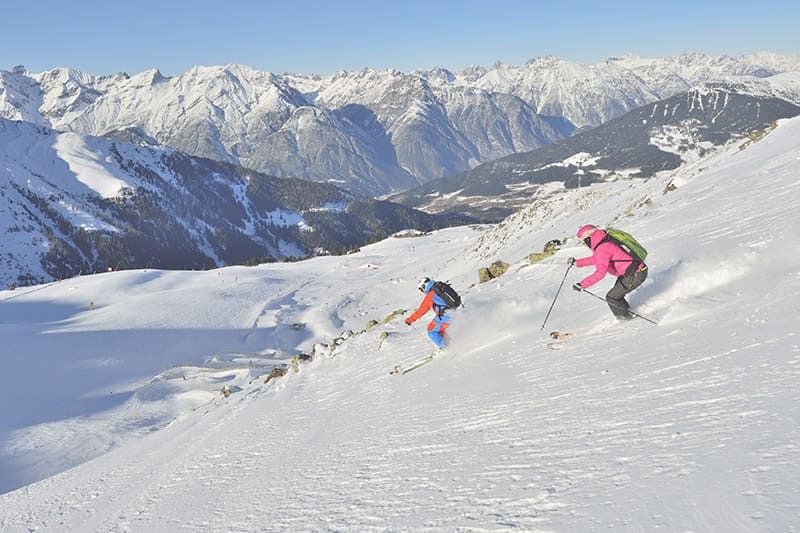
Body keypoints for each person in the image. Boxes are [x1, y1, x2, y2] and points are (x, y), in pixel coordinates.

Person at [569, 224, 648, 320]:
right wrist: (577, 263)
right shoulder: (604, 240)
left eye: (584, 241)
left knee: (612, 297)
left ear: (589, 238)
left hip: (635, 274)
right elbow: (597, 259)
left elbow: (600, 273)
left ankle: (626, 321)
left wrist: (582, 285)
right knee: (616, 296)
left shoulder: (602, 248)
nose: (585, 245)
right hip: (634, 270)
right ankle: (629, 314)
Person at [405, 277, 452, 348]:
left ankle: (446, 347)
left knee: (431, 330)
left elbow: (422, 310)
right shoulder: (441, 287)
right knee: (440, 330)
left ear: (424, 286)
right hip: (454, 311)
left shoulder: (431, 294)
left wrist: (410, 320)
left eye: (421, 289)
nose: (422, 291)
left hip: (446, 315)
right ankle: (449, 343)